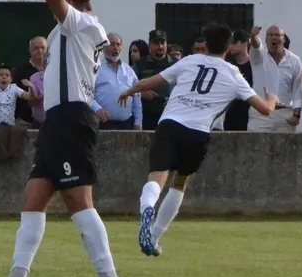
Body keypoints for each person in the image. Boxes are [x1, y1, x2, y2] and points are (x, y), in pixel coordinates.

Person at [0, 0, 127, 277]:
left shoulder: (80, 24)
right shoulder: (71, 27)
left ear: (72, 0)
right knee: (33, 200)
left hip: (71, 119)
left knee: (79, 202)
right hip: (58, 121)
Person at [118, 23, 279, 256]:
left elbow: (151, 82)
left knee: (157, 176)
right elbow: (264, 110)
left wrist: (129, 91)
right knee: (180, 183)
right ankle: (154, 237)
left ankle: (146, 209)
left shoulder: (189, 61)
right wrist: (273, 99)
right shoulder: (233, 73)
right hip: (198, 132)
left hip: (170, 124)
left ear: (207, 44)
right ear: (229, 46)